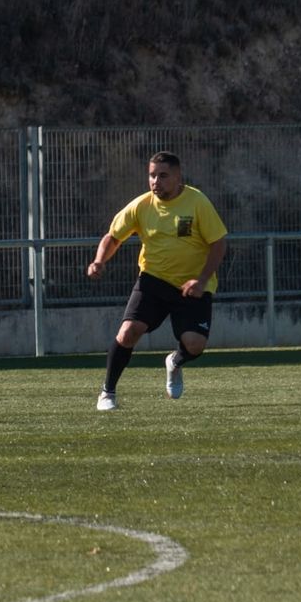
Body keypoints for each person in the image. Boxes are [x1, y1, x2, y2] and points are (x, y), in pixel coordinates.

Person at [86, 150, 227, 411]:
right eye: (152, 175)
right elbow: (113, 236)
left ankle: (174, 361)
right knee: (128, 332)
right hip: (153, 281)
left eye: (163, 176)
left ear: (178, 177)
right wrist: (99, 261)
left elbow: (218, 243)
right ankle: (107, 392)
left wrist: (202, 278)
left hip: (192, 286)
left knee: (195, 345)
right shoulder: (141, 205)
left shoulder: (197, 202)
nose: (155, 181)